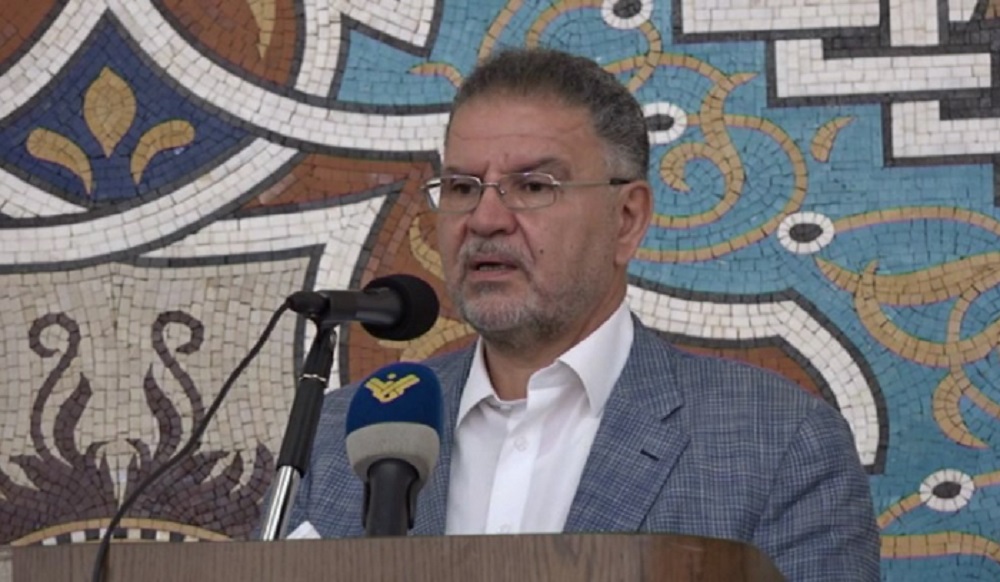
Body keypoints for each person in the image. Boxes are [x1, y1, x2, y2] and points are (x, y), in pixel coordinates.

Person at [279, 47, 880, 580]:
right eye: (462, 187)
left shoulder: (777, 441)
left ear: (627, 219)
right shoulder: (341, 436)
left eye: (533, 186)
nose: (485, 219)